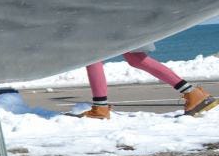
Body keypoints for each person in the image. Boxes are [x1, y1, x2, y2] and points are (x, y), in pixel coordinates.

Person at [79, 44, 216, 119]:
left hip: (111, 16)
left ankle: (101, 108)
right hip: (123, 16)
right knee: (136, 58)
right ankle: (193, 94)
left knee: (93, 55)